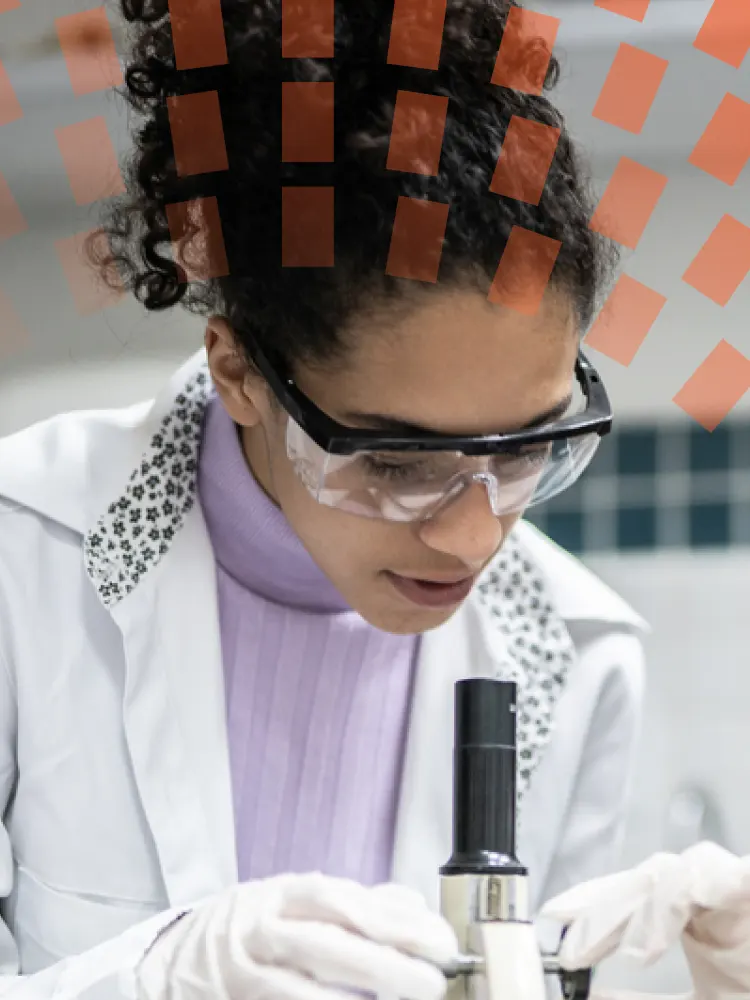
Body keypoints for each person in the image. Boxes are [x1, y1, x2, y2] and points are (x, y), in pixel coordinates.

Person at [0, 0, 650, 996]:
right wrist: (152, 976)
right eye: (396, 464)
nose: (476, 537)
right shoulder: (21, 562)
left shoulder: (582, 655)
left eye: (529, 447)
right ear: (241, 374)